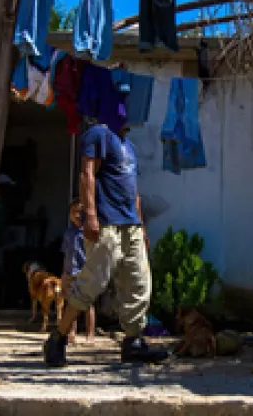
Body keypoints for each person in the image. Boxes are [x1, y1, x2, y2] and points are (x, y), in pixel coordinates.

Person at [43, 122, 168, 366]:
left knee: (139, 284)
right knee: (91, 283)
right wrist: (90, 215)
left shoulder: (129, 147)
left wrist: (141, 227)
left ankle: (133, 343)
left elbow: (134, 193)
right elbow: (86, 174)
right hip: (107, 223)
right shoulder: (99, 134)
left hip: (131, 225)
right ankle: (58, 338)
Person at [60, 199, 95, 345]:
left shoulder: (87, 233)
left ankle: (90, 334)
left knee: (87, 304)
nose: (77, 215)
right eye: (74, 212)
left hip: (84, 271)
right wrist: (64, 274)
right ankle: (71, 333)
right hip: (69, 272)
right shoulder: (68, 233)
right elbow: (66, 254)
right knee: (71, 304)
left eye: (80, 212)